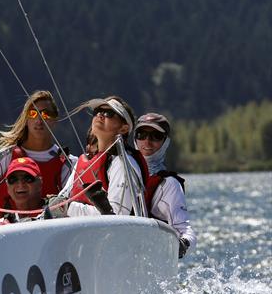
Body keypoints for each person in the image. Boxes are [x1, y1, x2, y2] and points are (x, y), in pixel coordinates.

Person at [0, 90, 74, 224]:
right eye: (33, 113)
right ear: (26, 119)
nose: (39, 119)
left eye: (46, 114)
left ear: (55, 119)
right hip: (0, 233)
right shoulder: (4, 157)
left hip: (45, 235)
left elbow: (72, 207)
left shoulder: (68, 164)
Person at [47, 95, 148, 218]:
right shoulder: (84, 161)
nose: (100, 115)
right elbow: (60, 199)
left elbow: (119, 214)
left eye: (109, 113)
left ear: (124, 128)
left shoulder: (123, 164)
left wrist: (68, 208)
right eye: (97, 112)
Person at [135, 112, 197, 258]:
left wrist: (181, 245)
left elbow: (186, 231)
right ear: (134, 139)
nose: (147, 142)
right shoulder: (119, 172)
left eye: (155, 136)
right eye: (141, 134)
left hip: (148, 259)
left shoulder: (169, 184)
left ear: (166, 142)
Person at [0, 157, 45, 224]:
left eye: (28, 178)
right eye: (13, 180)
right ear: (7, 187)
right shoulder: (1, 225)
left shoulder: (58, 214)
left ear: (40, 183)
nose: (20, 184)